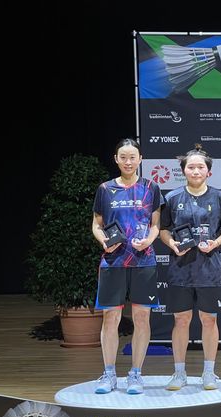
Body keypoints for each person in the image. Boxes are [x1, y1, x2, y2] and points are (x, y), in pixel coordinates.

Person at [160, 144, 221, 391]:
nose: (195, 171)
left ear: (208, 172)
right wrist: (172, 244)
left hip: (209, 270)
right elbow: (163, 230)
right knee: (181, 321)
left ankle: (209, 373)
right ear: (183, 170)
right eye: (191, 167)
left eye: (200, 167)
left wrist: (215, 242)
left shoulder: (220, 197)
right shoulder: (172, 198)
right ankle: (179, 373)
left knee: (209, 321)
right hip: (180, 270)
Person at [91, 138, 163, 394]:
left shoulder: (151, 188)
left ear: (140, 159)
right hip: (113, 261)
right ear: (116, 159)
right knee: (110, 318)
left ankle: (136, 374)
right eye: (123, 157)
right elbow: (97, 224)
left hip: (144, 261)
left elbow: (156, 225)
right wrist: (103, 242)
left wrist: (149, 241)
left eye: (133, 157)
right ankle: (109, 374)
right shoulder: (105, 189)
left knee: (142, 317)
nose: (128, 161)